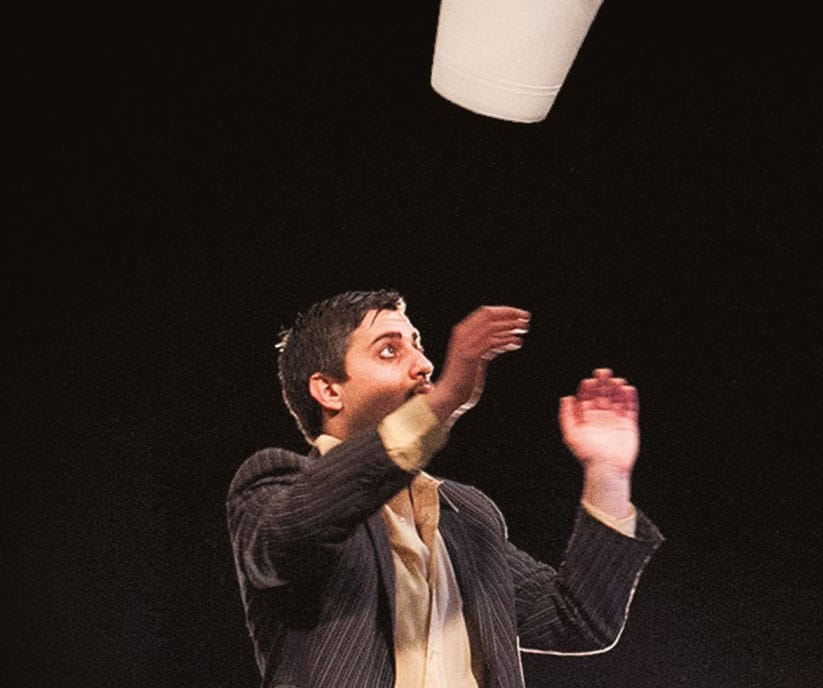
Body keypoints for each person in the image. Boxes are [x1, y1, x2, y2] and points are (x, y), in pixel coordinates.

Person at [227, 291, 661, 688]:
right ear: (328, 390)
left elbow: (577, 620)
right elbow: (295, 530)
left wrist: (606, 472)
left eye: (418, 345)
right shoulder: (274, 483)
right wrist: (444, 399)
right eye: (389, 350)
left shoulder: (466, 514)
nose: (424, 365)